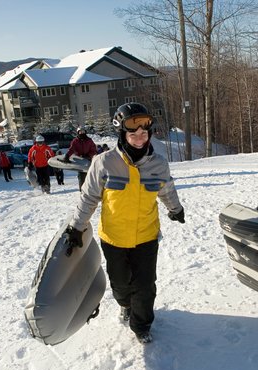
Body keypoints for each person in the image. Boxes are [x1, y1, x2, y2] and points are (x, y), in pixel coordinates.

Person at [64, 102, 185, 344]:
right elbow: (88, 198)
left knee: (145, 285)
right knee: (120, 284)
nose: (140, 139)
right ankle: (125, 304)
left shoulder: (158, 163)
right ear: (122, 133)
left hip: (146, 237)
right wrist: (76, 227)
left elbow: (166, 188)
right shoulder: (103, 162)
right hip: (114, 238)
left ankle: (141, 325)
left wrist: (175, 209)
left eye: (144, 133)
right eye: (133, 134)